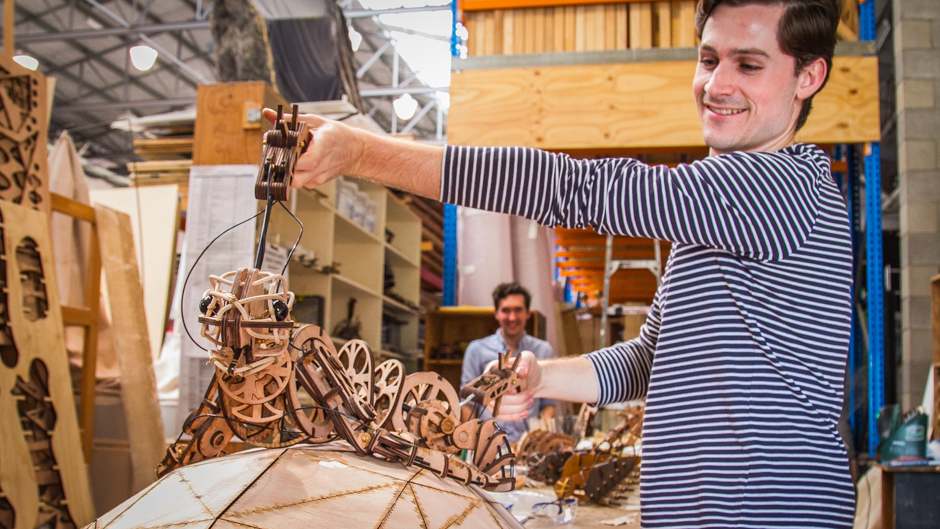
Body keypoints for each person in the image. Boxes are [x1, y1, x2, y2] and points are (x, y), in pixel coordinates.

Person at [268, 0, 856, 526]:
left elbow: (575, 188)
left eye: (748, 65)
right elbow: (649, 362)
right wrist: (546, 376)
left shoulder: (782, 188)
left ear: (809, 76)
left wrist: (363, 150)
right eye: (708, 59)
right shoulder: (718, 216)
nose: (716, 84)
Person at [460, 282, 555, 442]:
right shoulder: (477, 350)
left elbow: (549, 403)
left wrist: (539, 441)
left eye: (518, 310)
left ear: (527, 313)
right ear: (496, 313)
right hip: (488, 441)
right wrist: (470, 442)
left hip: (527, 444)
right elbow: (468, 401)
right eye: (506, 310)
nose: (512, 317)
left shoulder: (543, 350)